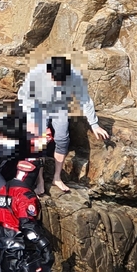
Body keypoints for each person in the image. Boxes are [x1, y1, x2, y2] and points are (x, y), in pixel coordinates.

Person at [18, 55, 110, 193]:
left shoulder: (74, 76)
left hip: (59, 107)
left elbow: (85, 100)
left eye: (62, 81)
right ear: (48, 72)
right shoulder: (36, 73)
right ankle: (40, 181)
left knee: (62, 139)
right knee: (38, 141)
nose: (59, 84)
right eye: (56, 80)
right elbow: (23, 96)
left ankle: (57, 177)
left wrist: (94, 124)